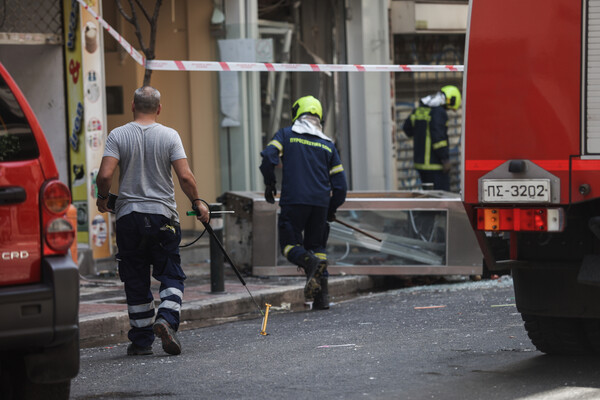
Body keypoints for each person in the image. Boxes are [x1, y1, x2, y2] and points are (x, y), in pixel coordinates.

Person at [96, 86, 210, 356]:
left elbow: (104, 175)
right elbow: (185, 177)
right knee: (170, 274)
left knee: (135, 279)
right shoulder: (170, 135)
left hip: (128, 218)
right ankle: (167, 320)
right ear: (159, 108)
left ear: (132, 104)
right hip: (163, 218)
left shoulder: (118, 135)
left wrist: (103, 198)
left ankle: (141, 341)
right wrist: (198, 202)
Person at [259, 95, 347, 310]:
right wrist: (330, 209)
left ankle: (310, 264)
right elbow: (341, 187)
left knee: (290, 246)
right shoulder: (328, 145)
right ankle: (322, 297)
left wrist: (270, 184)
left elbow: (269, 157)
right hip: (319, 204)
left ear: (297, 113)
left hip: (294, 201)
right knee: (317, 247)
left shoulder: (287, 135)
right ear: (319, 116)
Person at [402, 85, 461, 191]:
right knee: (441, 200)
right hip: (435, 165)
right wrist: (445, 159)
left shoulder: (419, 109)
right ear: (450, 99)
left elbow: (407, 129)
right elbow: (439, 139)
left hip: (420, 164)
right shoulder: (439, 112)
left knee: (428, 198)